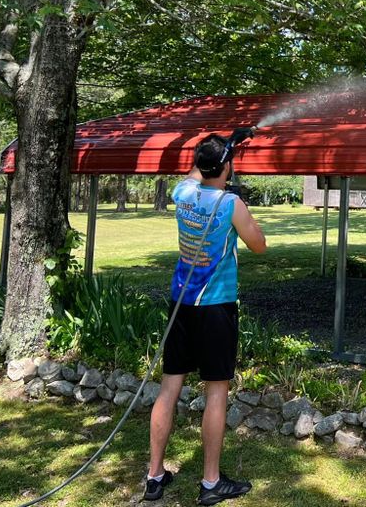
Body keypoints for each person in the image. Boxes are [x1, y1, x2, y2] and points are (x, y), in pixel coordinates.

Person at [145, 134, 267, 504]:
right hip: (215, 308)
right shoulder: (231, 204)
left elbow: (196, 171)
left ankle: (154, 476)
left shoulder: (182, 194)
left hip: (181, 304)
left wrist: (220, 148)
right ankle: (211, 483)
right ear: (227, 167)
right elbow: (259, 245)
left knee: (169, 388)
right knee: (216, 391)